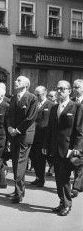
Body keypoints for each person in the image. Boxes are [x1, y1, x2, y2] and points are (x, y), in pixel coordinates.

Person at [43, 80, 83, 216]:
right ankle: (62, 201)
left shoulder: (76, 107)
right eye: (57, 89)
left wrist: (77, 148)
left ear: (69, 91)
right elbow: (50, 130)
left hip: (69, 149)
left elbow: (79, 131)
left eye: (62, 89)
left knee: (64, 177)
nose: (59, 91)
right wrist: (45, 145)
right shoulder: (54, 108)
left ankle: (67, 204)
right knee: (58, 178)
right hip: (55, 148)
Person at [6, 76, 38, 204]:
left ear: (26, 85)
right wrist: (9, 127)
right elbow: (9, 115)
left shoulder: (32, 98)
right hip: (13, 135)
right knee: (16, 165)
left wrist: (17, 130)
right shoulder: (14, 98)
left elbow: (30, 118)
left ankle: (19, 194)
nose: (15, 82)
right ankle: (18, 189)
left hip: (24, 136)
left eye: (19, 81)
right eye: (16, 80)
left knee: (19, 164)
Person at [29, 86, 55, 188]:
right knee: (34, 158)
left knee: (41, 159)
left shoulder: (52, 105)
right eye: (35, 94)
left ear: (44, 93)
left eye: (38, 94)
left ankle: (42, 179)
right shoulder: (34, 104)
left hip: (44, 137)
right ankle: (38, 177)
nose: (36, 96)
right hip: (33, 135)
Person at [71, 79, 83, 198]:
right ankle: (78, 184)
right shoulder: (72, 102)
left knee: (80, 163)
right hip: (75, 137)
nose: (75, 89)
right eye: (74, 87)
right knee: (77, 161)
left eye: (77, 87)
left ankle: (76, 187)